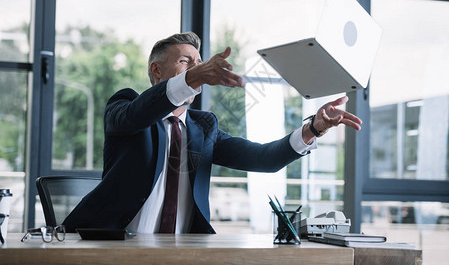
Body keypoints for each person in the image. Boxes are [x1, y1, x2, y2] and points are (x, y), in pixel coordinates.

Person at [63, 32, 362, 233]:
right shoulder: (125, 105)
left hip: (185, 250)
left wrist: (313, 129)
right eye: (184, 61)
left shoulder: (203, 128)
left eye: (198, 62)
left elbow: (263, 159)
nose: (195, 67)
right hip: (112, 246)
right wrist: (192, 78)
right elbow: (137, 115)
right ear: (157, 70)